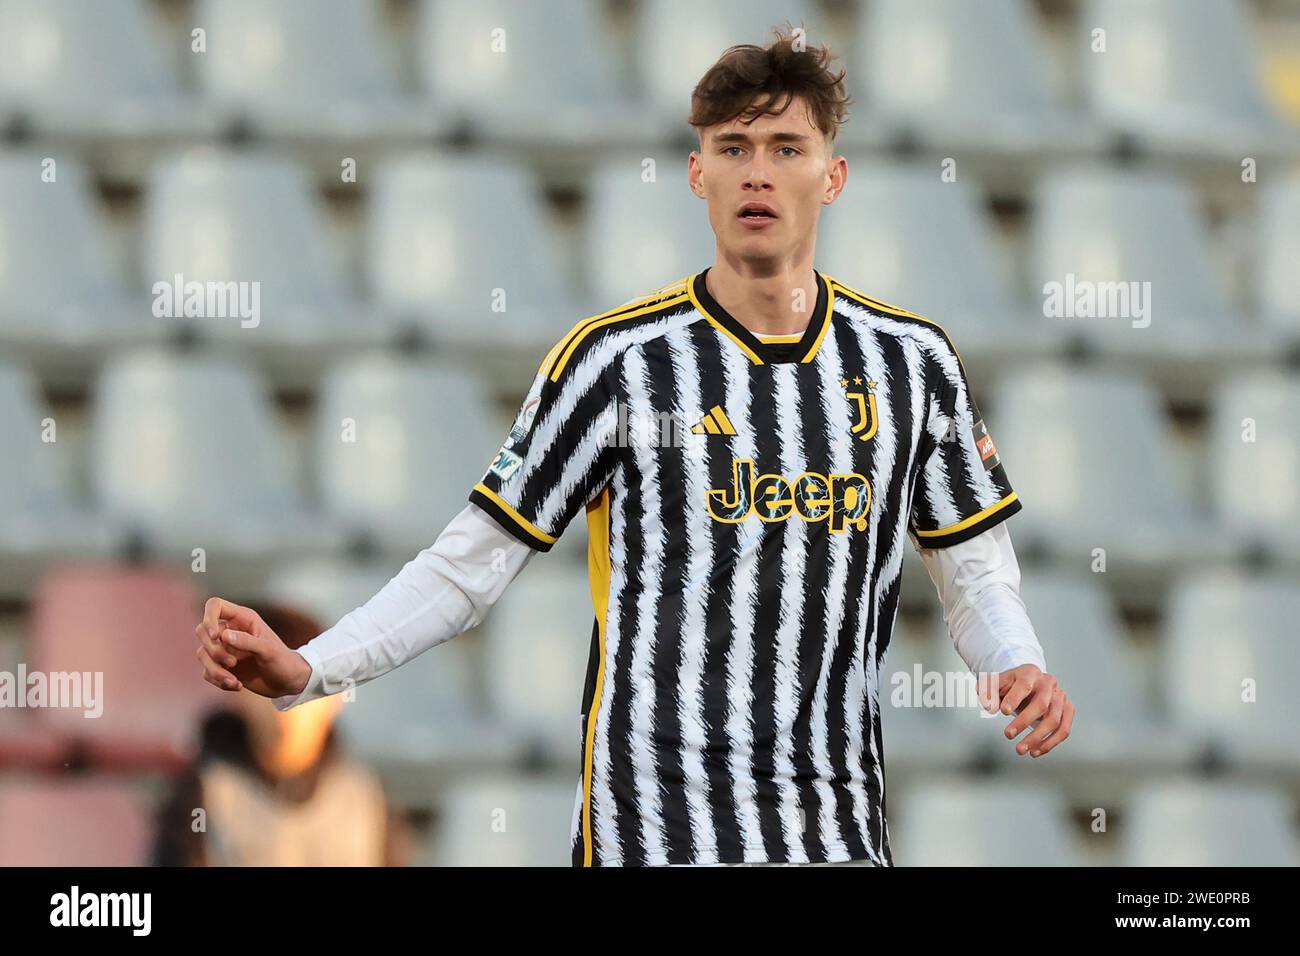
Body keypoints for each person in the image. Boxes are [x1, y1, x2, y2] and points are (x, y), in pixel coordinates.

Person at [194, 26, 1074, 868]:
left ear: (832, 176)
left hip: (830, 834)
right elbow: (468, 568)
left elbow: (977, 577)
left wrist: (1017, 661)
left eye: (785, 148)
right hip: (655, 835)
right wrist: (312, 669)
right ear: (698, 174)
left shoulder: (910, 365)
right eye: (733, 148)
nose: (756, 172)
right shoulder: (617, 365)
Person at [165, 605, 409, 866]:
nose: (286, 704)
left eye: (304, 686)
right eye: (267, 685)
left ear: (338, 694)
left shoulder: (366, 795)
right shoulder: (203, 795)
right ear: (236, 691)